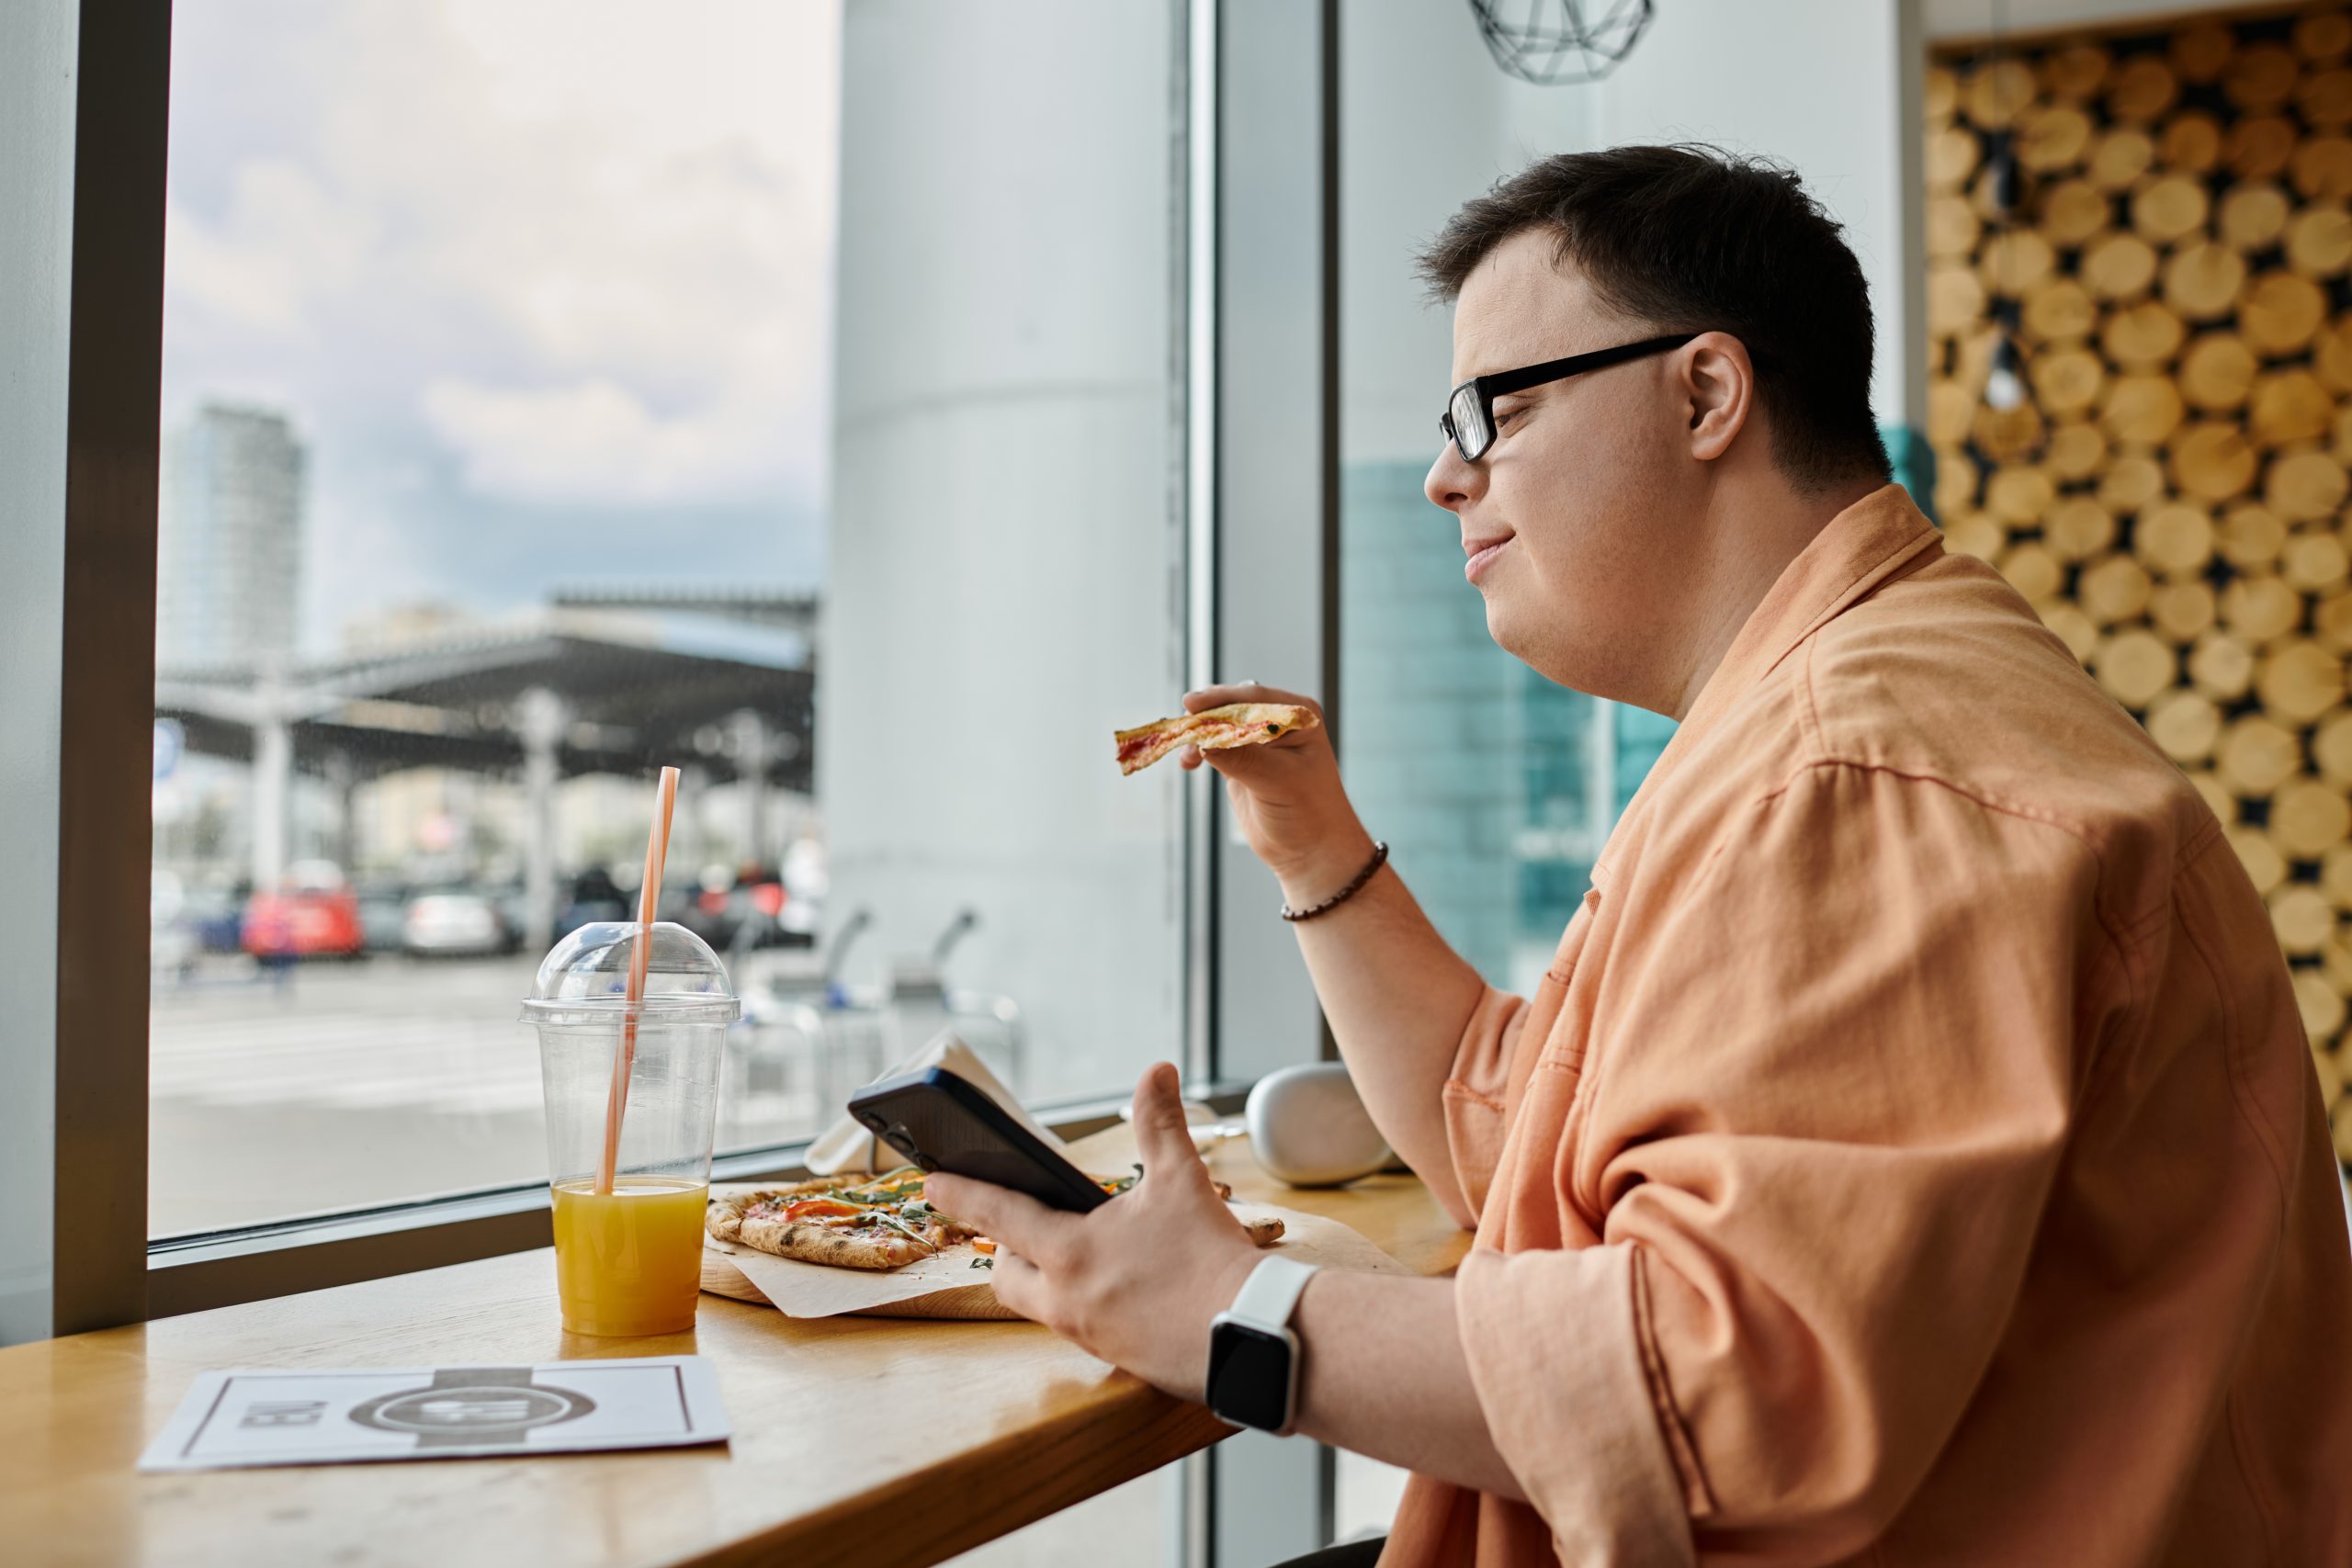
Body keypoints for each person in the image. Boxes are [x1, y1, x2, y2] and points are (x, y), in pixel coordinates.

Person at [927, 146, 2352, 1565]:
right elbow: (1523, 1147)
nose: (1442, 475)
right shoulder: (1850, 697)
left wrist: (1232, 1314)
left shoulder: (1855, 766)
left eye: (1497, 409)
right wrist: (1308, 831)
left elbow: (1732, 1398)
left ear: (1707, 393)